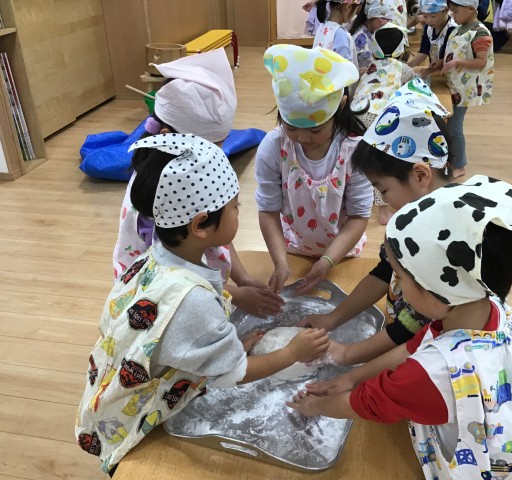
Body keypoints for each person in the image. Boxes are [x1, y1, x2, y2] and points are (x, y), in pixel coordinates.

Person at [76, 134, 330, 475]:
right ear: (200, 225)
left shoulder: (154, 257)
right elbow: (235, 374)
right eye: (236, 207)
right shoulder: (193, 300)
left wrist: (222, 347)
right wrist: (293, 352)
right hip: (131, 416)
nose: (239, 213)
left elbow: (173, 338)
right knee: (136, 468)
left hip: (108, 386)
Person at [289, 175, 512, 480]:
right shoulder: (491, 309)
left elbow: (369, 403)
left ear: (437, 294)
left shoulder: (433, 373)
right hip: (506, 445)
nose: (397, 287)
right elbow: (415, 345)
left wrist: (315, 406)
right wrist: (351, 377)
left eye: (401, 277)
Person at [112, 49, 284, 319]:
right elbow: (174, 283)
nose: (215, 156)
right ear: (168, 136)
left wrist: (242, 278)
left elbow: (217, 230)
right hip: (160, 302)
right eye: (209, 147)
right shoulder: (162, 195)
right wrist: (234, 295)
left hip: (201, 286)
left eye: (220, 146)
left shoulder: (196, 176)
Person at [301, 79, 452, 362]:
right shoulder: (412, 217)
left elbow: (411, 327)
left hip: (434, 353)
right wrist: (333, 318)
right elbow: (384, 273)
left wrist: (347, 355)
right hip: (402, 335)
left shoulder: (441, 238)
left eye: (383, 190)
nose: (383, 199)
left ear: (420, 175)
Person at [257, 44, 373, 296]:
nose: (302, 138)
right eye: (291, 127)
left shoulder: (354, 150)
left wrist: (327, 261)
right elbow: (268, 210)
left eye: (315, 130)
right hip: (291, 247)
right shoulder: (273, 146)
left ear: (340, 105)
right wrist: (280, 263)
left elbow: (358, 217)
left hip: (342, 252)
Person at [351, 23, 417, 225]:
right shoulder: (404, 68)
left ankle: (355, 197)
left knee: (361, 159)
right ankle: (383, 211)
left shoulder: (368, 68)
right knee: (380, 164)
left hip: (356, 115)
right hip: (381, 118)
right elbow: (413, 92)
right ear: (402, 49)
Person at [441, 0, 494, 180]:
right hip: (454, 84)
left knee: (454, 128)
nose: (452, 15)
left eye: (455, 11)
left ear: (471, 9)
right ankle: (451, 158)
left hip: (465, 89)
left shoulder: (480, 33)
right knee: (450, 124)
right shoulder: (458, 29)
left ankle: (459, 165)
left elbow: (481, 61)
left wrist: (457, 62)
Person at [350, 0, 411, 74]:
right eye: (384, 19)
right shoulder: (360, 40)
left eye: (389, 19)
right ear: (371, 16)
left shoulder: (374, 33)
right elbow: (373, 70)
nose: (386, 23)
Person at [407, 0, 457, 79]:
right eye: (425, 16)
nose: (428, 21)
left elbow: (447, 57)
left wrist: (430, 70)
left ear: (446, 11)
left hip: (450, 73)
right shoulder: (429, 27)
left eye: (433, 16)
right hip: (436, 71)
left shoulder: (452, 29)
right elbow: (424, 51)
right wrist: (406, 67)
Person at [313, 0, 363, 66]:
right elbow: (344, 67)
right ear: (348, 6)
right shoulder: (340, 34)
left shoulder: (322, 27)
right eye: (355, 9)